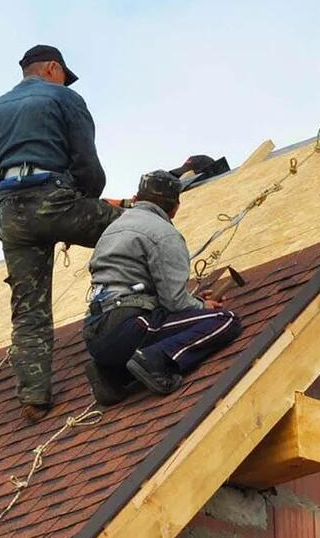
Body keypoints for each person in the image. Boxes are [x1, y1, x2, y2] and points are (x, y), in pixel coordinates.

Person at [0, 45, 123, 422]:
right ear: (52, 69)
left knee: (29, 309)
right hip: (54, 198)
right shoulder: (64, 98)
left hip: (12, 215)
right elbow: (87, 165)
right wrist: (82, 205)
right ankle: (151, 314)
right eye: (62, 76)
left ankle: (33, 397)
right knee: (133, 227)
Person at [82, 171, 244, 405]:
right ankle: (155, 360)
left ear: (137, 198)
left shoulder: (113, 230)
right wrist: (201, 307)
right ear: (174, 208)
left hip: (97, 335)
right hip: (131, 326)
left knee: (161, 327)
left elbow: (139, 289)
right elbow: (175, 302)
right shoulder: (163, 233)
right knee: (225, 320)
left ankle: (112, 375)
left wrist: (196, 302)